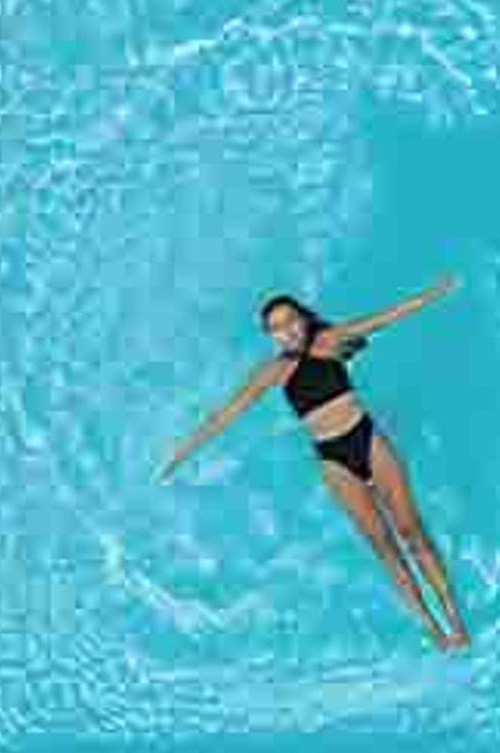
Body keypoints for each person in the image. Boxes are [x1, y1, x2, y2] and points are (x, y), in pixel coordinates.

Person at [159, 275, 473, 649]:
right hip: (333, 459)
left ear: (303, 319)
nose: (286, 331)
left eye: (290, 321)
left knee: (412, 531)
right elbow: (225, 415)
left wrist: (432, 293)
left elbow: (385, 317)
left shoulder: (329, 340)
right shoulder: (273, 371)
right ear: (271, 336)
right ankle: (432, 628)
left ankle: (455, 620)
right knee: (384, 546)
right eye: (276, 328)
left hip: (366, 439)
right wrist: (181, 453)